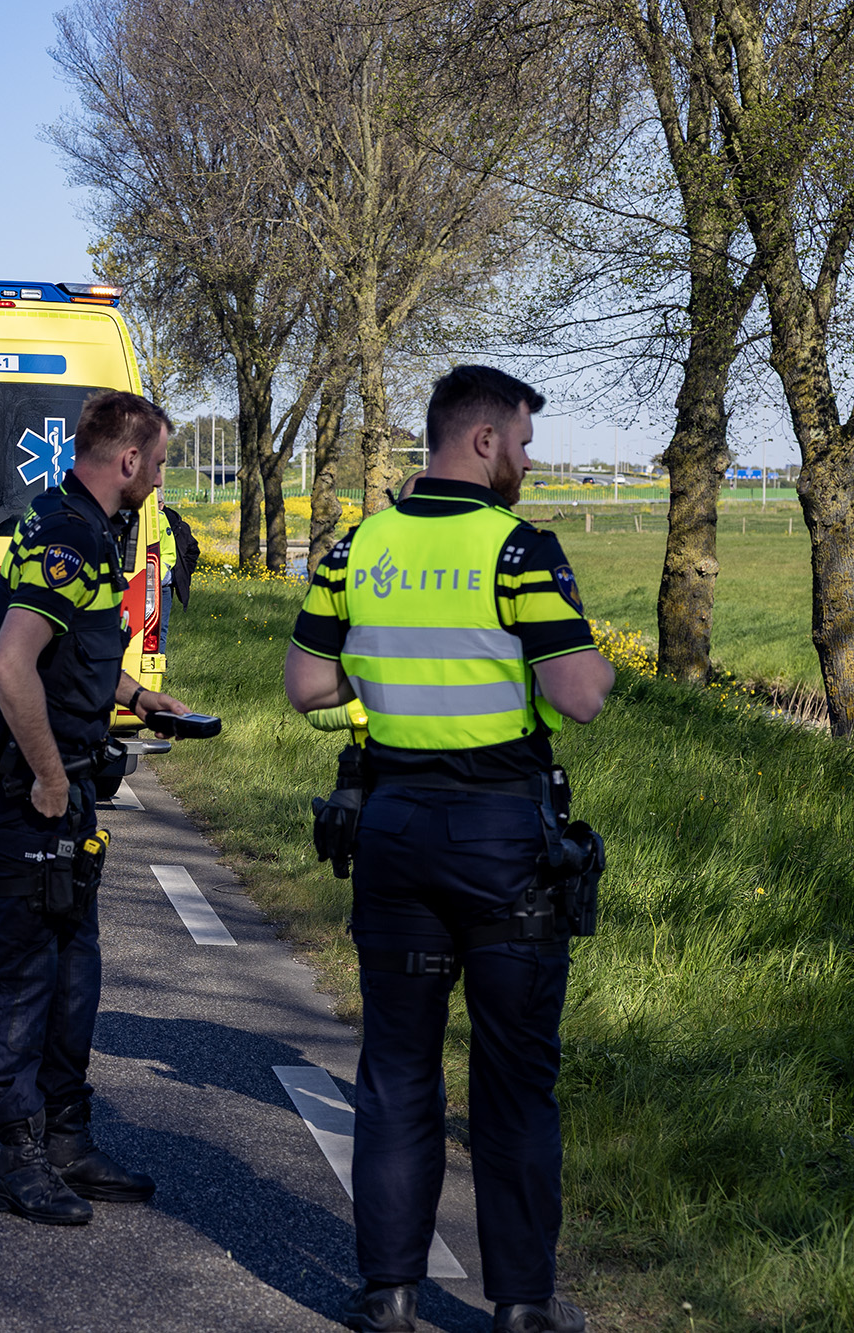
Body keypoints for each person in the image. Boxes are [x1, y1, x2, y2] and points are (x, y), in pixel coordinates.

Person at [282, 366, 614, 1333]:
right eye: (521, 438)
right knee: (513, 1078)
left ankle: (389, 1293)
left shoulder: (357, 547)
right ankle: (519, 1306)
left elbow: (307, 686)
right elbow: (582, 694)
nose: (526, 456)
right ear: (480, 440)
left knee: (396, 1070)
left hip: (391, 831)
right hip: (501, 841)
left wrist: (394, 703)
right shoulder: (519, 550)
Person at [0, 389, 193, 1226]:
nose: (159, 479)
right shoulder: (69, 535)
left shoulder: (76, 524)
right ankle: (18, 1155)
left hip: (63, 786)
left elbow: (68, 649)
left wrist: (137, 694)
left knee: (73, 975)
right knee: (26, 974)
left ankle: (67, 1138)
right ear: (129, 459)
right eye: (161, 463)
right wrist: (52, 778)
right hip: (32, 790)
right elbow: (12, 666)